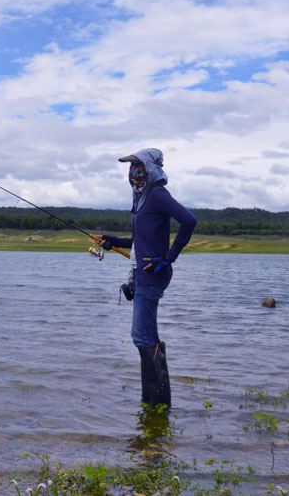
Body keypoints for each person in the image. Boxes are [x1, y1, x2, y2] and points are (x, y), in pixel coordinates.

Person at [95, 149, 197, 410]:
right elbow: (140, 242)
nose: (133, 171)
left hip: (153, 275)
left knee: (142, 336)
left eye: (138, 165)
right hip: (141, 274)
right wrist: (112, 242)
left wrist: (169, 257)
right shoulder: (141, 199)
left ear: (151, 167)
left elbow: (189, 220)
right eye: (130, 166)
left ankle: (159, 405)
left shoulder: (157, 194)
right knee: (146, 337)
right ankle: (150, 404)